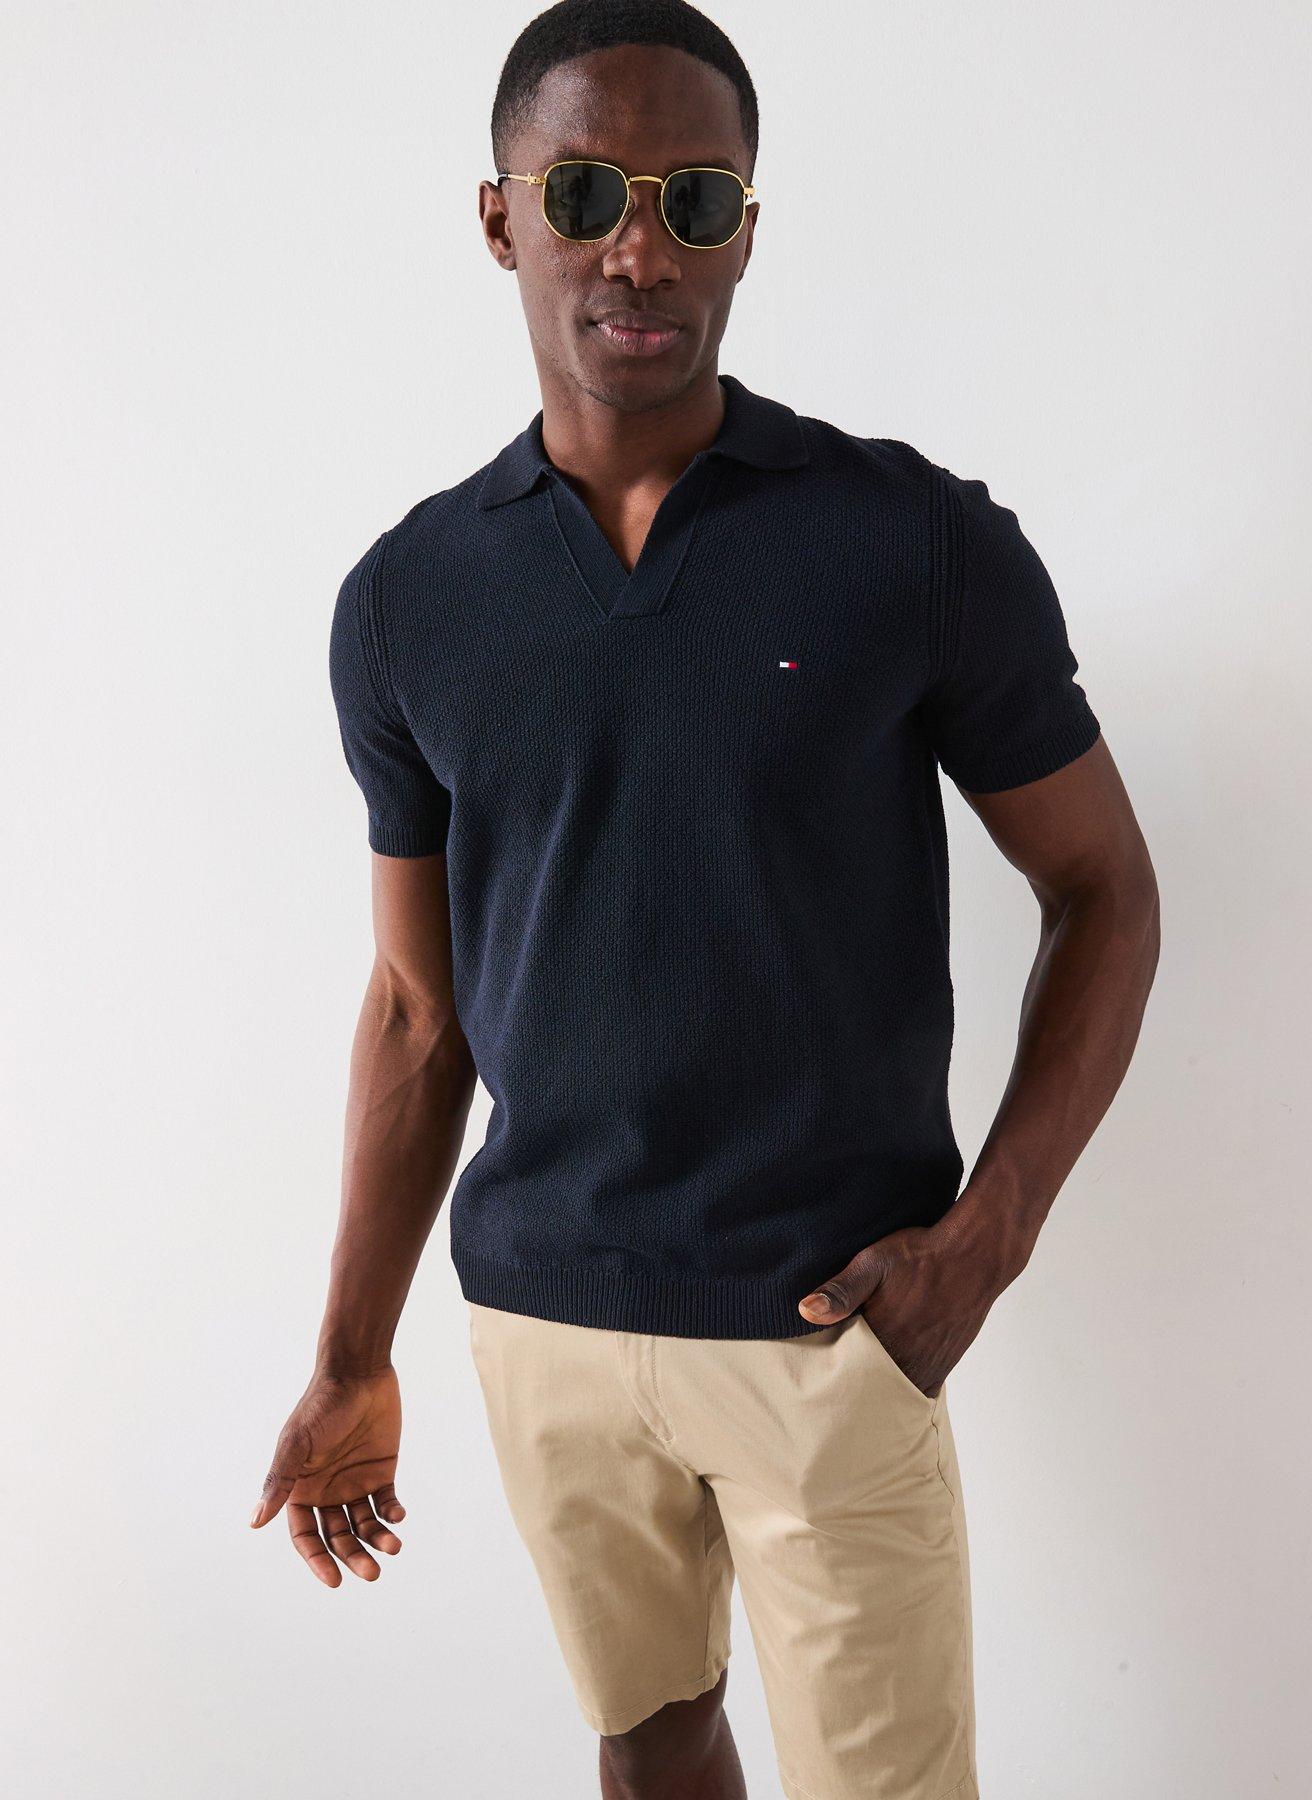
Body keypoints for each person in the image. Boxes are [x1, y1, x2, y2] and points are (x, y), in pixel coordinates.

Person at [250, 3, 1161, 1795]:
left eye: (695, 197)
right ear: (502, 219)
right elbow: (419, 1009)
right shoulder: (409, 598)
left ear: (748, 225)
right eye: (585, 192)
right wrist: (351, 1353)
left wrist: (984, 1244)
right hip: (543, 1319)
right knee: (651, 1744)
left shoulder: (909, 542)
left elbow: (1101, 889)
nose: (638, 247)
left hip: (830, 1327)